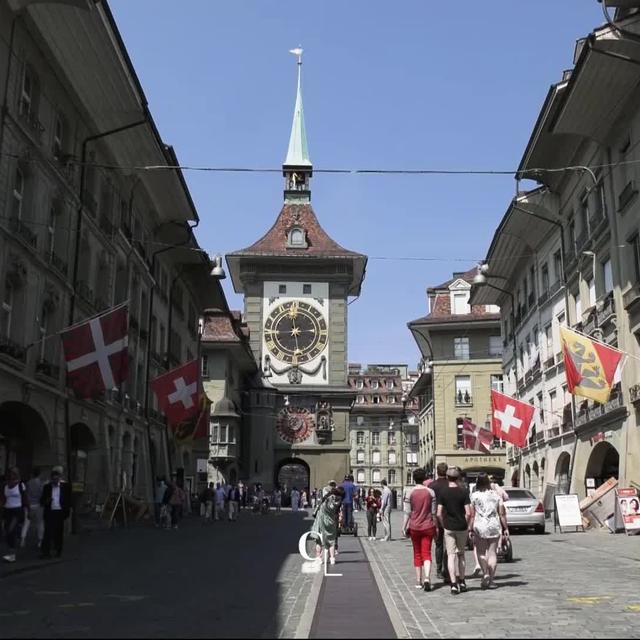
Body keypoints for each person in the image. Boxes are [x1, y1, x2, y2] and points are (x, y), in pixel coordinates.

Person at [469, 473, 509, 589]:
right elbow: (501, 513)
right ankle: (491, 581)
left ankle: (485, 572)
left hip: (479, 526)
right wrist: (505, 527)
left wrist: (470, 528)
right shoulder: (496, 495)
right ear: (488, 482)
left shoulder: (474, 496)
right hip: (493, 525)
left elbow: (472, 515)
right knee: (492, 553)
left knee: (480, 552)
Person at [437, 467, 471, 595]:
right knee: (461, 554)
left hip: (449, 527)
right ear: (458, 478)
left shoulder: (443, 492)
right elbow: (468, 513)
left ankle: (453, 584)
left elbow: (439, 513)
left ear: (447, 477)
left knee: (450, 555)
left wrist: (443, 524)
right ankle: (462, 581)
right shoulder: (463, 492)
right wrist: (466, 525)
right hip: (461, 526)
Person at [403, 468, 437, 591]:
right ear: (424, 479)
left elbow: (407, 512)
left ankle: (419, 580)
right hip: (428, 526)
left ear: (413, 478)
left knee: (417, 553)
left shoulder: (409, 492)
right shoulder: (431, 492)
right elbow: (433, 513)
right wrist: (436, 526)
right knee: (427, 553)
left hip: (414, 527)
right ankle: (427, 577)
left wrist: (404, 526)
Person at [40, 466, 71, 559]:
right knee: (48, 532)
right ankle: (46, 552)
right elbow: (42, 501)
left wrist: (67, 511)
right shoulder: (47, 487)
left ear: (59, 478)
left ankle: (58, 551)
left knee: (58, 533)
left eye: (56, 479)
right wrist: (47, 501)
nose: (55, 481)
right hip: (50, 512)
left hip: (60, 512)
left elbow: (68, 500)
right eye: (53, 479)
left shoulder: (65, 486)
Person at [311, 486, 345, 565]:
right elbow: (337, 512)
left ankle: (318, 557)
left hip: (320, 520)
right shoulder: (338, 501)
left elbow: (319, 508)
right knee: (331, 540)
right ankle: (332, 558)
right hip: (330, 521)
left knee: (318, 540)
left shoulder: (326, 498)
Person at [1, 467, 29, 562]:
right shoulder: (5, 485)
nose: (12, 475)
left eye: (14, 473)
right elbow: (3, 499)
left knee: (10, 530)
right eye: (11, 473)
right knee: (7, 532)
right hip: (7, 510)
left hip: (17, 511)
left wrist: (28, 510)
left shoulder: (21, 485)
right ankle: (11, 552)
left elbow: (25, 498)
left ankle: (12, 555)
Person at [430, 463, 449, 580]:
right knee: (449, 546)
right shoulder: (450, 484)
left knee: (438, 545)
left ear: (437, 471)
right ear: (446, 472)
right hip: (448, 517)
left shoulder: (432, 486)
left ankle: (438, 569)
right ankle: (447, 569)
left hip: (436, 518)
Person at [25, 467, 44, 548]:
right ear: (39, 474)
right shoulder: (41, 483)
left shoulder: (28, 483)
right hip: (38, 505)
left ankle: (23, 538)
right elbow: (41, 495)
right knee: (40, 523)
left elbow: (27, 494)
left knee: (26, 523)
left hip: (30, 504)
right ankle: (40, 540)